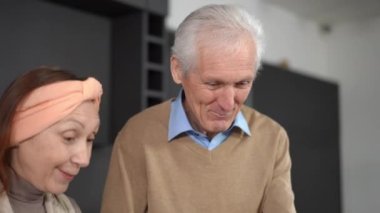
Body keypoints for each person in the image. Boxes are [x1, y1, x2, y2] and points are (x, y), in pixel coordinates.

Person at [101, 4, 296, 213]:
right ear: (178, 70)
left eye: (242, 84)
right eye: (213, 84)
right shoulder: (137, 135)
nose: (228, 104)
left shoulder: (273, 138)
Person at [0, 67, 103, 212]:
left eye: (89, 139)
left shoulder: (70, 209)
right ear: (17, 133)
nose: (84, 160)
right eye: (69, 137)